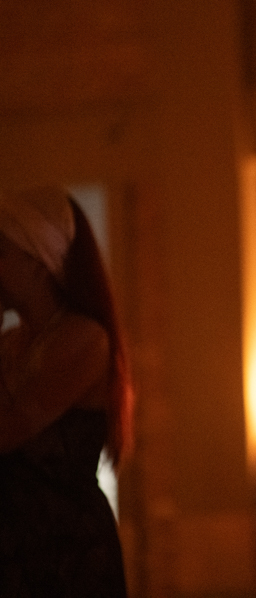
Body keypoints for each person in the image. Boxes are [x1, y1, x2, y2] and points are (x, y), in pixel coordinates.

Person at [0, 186, 133, 597]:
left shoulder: (84, 340)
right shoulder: (11, 343)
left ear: (38, 258)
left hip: (66, 555)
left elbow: (7, 430)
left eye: (1, 252)